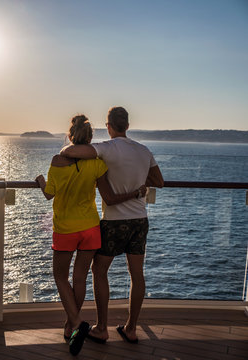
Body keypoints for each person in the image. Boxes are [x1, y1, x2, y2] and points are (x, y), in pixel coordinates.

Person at [36, 114, 147, 355]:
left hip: (66, 228)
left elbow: (49, 194)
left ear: (70, 135)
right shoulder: (97, 164)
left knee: (59, 276)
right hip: (91, 227)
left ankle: (75, 322)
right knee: (80, 278)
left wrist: (40, 180)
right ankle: (70, 327)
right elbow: (112, 181)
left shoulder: (57, 160)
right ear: (90, 138)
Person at [60, 106, 164, 344]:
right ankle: (131, 328)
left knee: (99, 272)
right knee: (137, 274)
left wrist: (67, 147)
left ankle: (102, 328)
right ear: (127, 125)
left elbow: (72, 151)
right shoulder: (143, 150)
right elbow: (159, 181)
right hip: (139, 220)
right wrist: (138, 180)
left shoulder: (107, 149)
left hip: (115, 222)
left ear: (108, 126)